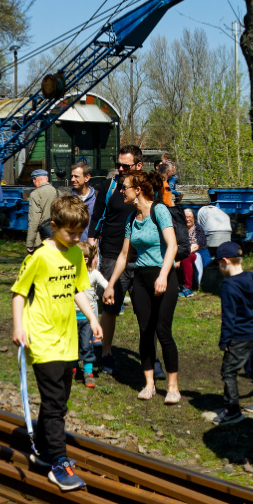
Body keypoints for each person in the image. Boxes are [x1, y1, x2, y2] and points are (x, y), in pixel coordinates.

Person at [11, 195, 102, 490]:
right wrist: (18, 327)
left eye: (80, 233)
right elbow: (18, 293)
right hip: (42, 338)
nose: (76, 238)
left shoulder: (76, 254)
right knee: (53, 403)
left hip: (68, 339)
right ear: (54, 226)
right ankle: (58, 462)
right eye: (70, 233)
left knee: (60, 402)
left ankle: (42, 447)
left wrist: (93, 319)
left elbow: (78, 289)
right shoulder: (39, 256)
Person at [103, 169, 181, 403]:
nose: (120, 191)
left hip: (163, 276)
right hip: (141, 279)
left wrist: (164, 275)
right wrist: (111, 285)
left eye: (124, 187)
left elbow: (173, 245)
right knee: (145, 330)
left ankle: (173, 387)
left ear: (137, 190)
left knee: (162, 330)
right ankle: (149, 385)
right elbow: (124, 255)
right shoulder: (131, 219)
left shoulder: (160, 211)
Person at [88, 145, 145, 375]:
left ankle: (148, 357)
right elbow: (97, 217)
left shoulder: (148, 188)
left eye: (126, 165)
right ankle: (106, 353)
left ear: (139, 166)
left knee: (145, 310)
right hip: (112, 254)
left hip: (141, 257)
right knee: (110, 306)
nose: (120, 168)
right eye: (118, 163)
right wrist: (92, 247)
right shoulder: (109, 186)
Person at [213, 242, 253, 426]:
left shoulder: (229, 287)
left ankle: (232, 411)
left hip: (238, 336)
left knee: (229, 372)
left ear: (225, 261)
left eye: (218, 264)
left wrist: (225, 341)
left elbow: (229, 318)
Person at [75, 241, 108, 388]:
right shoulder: (72, 272)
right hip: (71, 316)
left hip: (87, 318)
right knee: (71, 346)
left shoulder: (94, 274)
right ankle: (73, 369)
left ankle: (88, 373)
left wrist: (110, 291)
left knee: (86, 346)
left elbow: (106, 285)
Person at [26, 169, 57, 253]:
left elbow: (34, 220)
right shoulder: (55, 191)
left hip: (40, 240)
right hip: (54, 237)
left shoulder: (35, 194)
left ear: (35, 179)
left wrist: (30, 243)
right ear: (46, 179)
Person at [179, 208, 207, 296]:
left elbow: (196, 246)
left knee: (187, 258)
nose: (188, 219)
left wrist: (181, 255)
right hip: (180, 251)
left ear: (194, 218)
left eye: (190, 217)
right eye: (185, 217)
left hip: (195, 252)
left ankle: (187, 287)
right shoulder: (179, 229)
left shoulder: (198, 229)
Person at [69, 163, 97, 242]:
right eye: (72, 176)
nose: (72, 179)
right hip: (72, 247)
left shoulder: (97, 198)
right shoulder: (67, 198)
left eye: (76, 176)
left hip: (92, 249)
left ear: (87, 178)